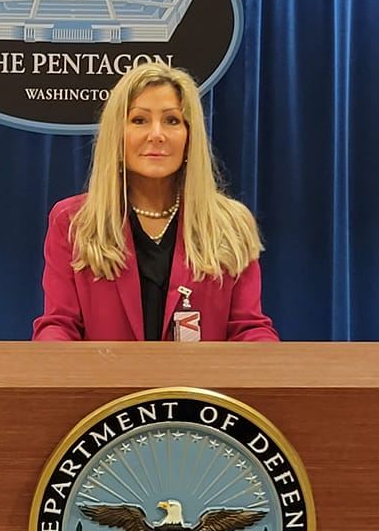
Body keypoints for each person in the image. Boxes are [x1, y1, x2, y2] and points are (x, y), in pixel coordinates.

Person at [33, 63, 279, 342]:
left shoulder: (231, 224)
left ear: (190, 136)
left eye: (172, 120)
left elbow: (249, 329)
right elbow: (60, 325)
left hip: (197, 385)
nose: (157, 134)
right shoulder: (73, 222)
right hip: (106, 385)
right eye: (139, 120)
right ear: (117, 136)